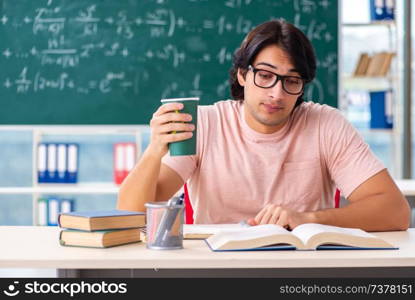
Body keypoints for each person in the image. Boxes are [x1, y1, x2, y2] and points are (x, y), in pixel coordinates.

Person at [117, 19, 410, 231]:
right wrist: (155, 150)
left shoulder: (326, 124)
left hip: (302, 271)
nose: (277, 93)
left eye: (291, 81)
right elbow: (129, 215)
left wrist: (307, 219)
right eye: (265, 75)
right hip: (214, 271)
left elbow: (395, 212)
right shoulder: (204, 123)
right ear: (243, 75)